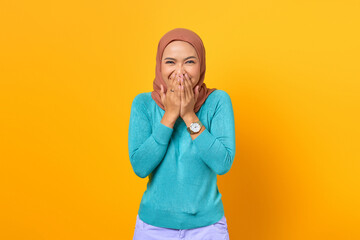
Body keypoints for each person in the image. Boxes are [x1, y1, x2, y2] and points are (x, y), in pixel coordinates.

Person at [128, 28, 236, 240]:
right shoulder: (142, 104)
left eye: (189, 62)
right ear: (159, 65)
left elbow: (222, 164)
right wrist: (169, 115)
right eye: (170, 62)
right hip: (153, 228)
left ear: (201, 64)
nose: (180, 71)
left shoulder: (217, 101)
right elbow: (140, 167)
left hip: (207, 229)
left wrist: (189, 115)